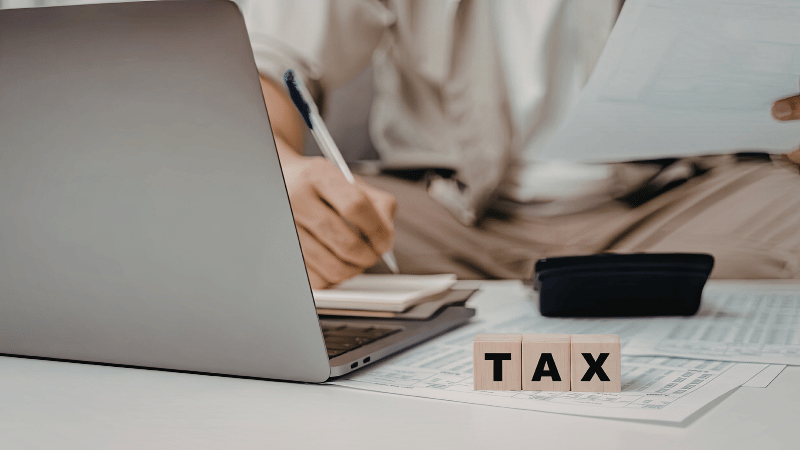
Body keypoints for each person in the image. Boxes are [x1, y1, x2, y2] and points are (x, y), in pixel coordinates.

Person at [242, 0, 800, 288]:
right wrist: (279, 171)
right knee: (272, 233)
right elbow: (265, 65)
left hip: (678, 206)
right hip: (444, 218)